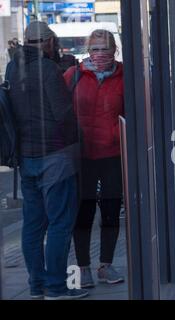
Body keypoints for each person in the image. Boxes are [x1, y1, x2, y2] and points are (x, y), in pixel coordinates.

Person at [8, 21, 88, 300]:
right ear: (49, 42)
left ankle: (36, 286)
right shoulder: (47, 70)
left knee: (33, 225)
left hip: (26, 159)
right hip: (54, 156)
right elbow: (63, 114)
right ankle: (55, 286)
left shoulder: (12, 66)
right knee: (59, 223)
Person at [64, 29, 125, 288]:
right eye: (95, 49)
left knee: (111, 211)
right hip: (83, 156)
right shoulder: (73, 76)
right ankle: (83, 267)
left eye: (105, 48)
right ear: (88, 51)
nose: (100, 54)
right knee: (83, 212)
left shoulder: (126, 76)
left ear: (114, 50)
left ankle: (106, 265)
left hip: (113, 154)